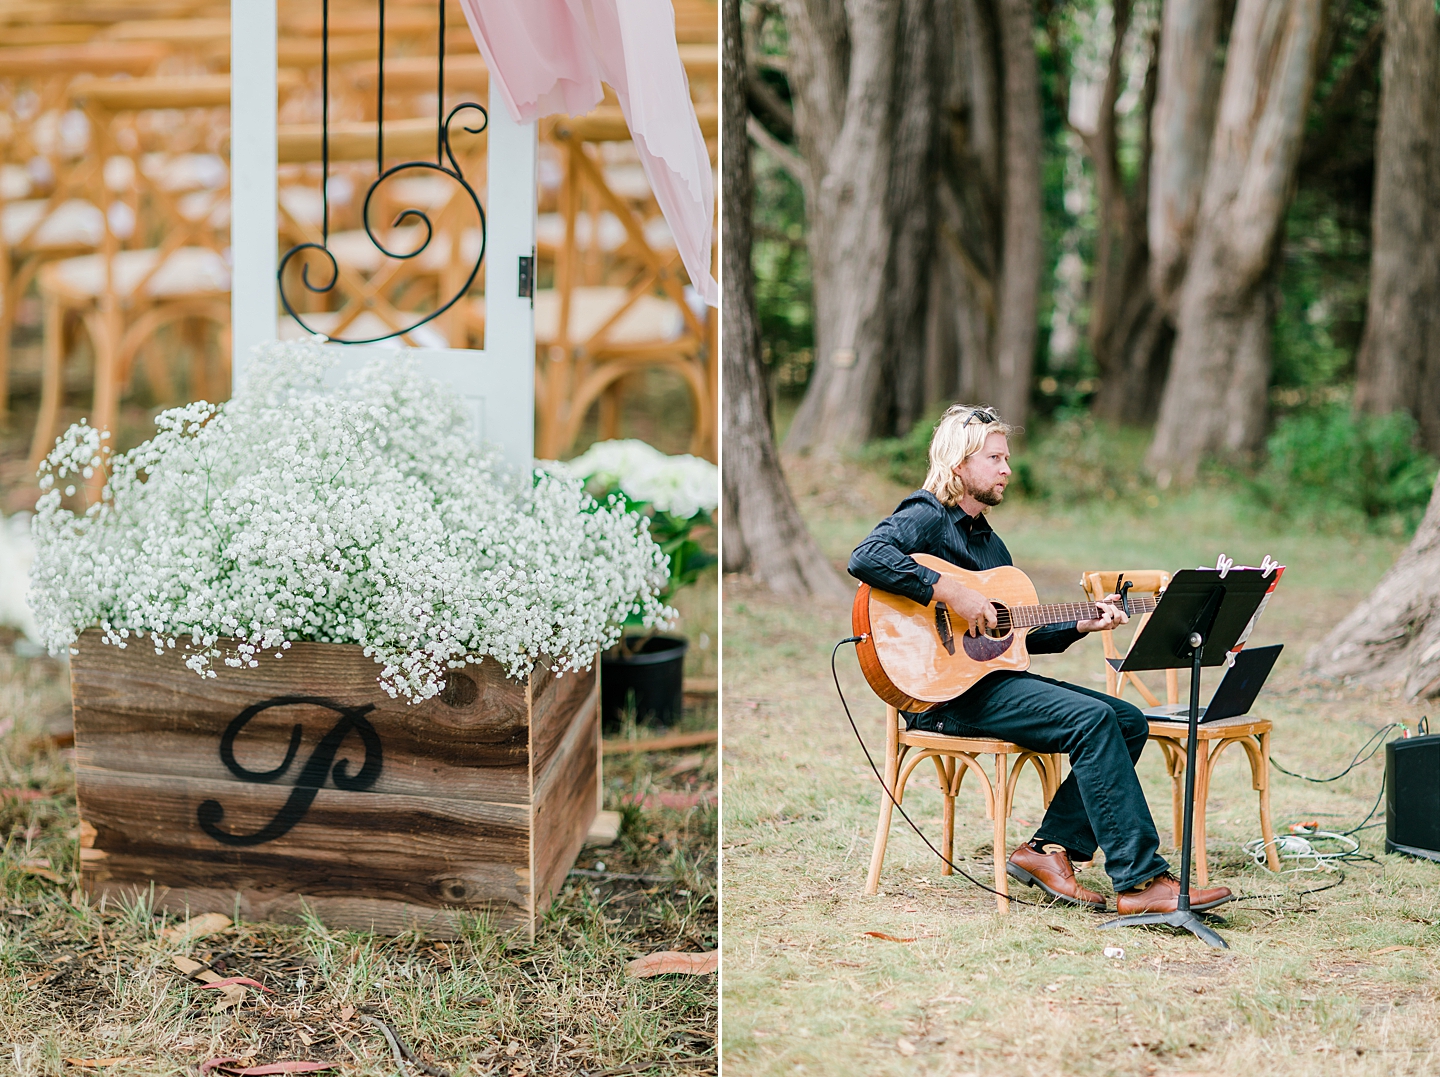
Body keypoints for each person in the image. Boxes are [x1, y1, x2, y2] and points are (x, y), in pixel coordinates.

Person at [847, 403, 1231, 913]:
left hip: (987, 682)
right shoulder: (925, 516)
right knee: (1093, 719)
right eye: (996, 458)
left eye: (1007, 458)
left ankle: (1048, 851)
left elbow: (1011, 636)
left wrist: (1079, 623)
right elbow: (866, 557)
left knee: (1128, 720)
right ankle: (1140, 883)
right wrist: (949, 592)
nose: (1007, 469)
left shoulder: (990, 544)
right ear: (959, 464)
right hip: (940, 694)